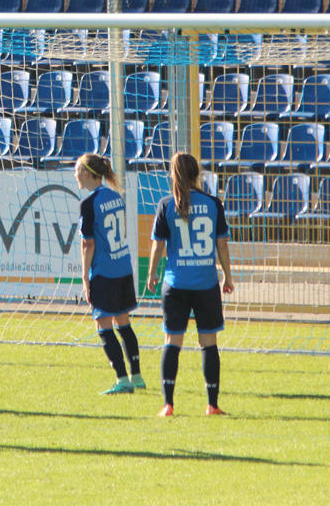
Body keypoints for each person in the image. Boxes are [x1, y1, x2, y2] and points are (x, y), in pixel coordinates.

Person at [145, 152, 234, 417]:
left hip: (176, 284)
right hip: (205, 283)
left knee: (172, 341)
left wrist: (151, 274)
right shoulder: (213, 203)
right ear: (198, 174)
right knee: (209, 342)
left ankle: (168, 405)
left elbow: (158, 245)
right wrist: (228, 276)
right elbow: (222, 244)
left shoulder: (166, 204)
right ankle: (212, 404)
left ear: (173, 174)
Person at [75, 153, 144, 395]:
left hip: (105, 271)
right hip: (123, 266)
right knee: (123, 322)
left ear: (85, 173)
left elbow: (88, 244)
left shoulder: (88, 204)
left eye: (77, 170)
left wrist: (85, 278)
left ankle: (122, 380)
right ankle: (136, 376)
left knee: (103, 324)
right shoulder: (115, 196)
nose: (75, 175)